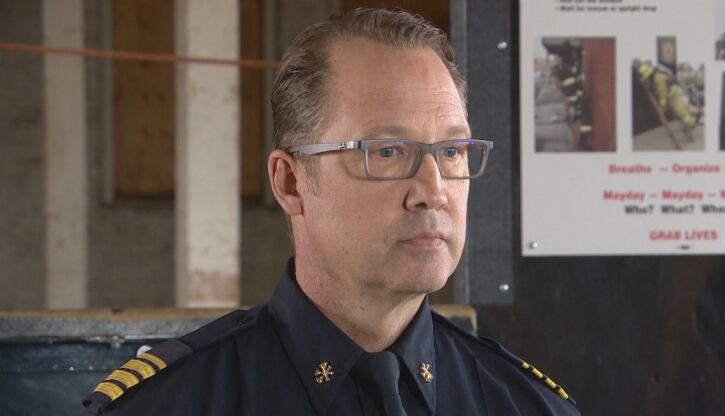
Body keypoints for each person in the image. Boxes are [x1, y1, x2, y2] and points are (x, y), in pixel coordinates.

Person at [82, 8, 579, 415]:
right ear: (291, 183)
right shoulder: (168, 406)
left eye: (451, 152)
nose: (433, 191)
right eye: (386, 152)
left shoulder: (524, 405)